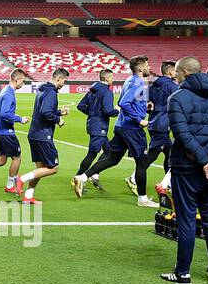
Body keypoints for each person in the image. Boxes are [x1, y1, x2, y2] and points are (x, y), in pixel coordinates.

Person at [160, 57, 208, 284]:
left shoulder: (177, 98)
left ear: (184, 72)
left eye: (176, 72)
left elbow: (181, 135)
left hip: (187, 169)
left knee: (186, 221)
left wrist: (202, 158)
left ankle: (183, 273)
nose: (174, 75)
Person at [83, 54, 157, 207]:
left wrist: (145, 107)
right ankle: (143, 199)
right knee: (142, 163)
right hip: (132, 129)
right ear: (141, 68)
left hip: (122, 126)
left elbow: (127, 102)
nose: (150, 68)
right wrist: (139, 119)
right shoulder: (138, 82)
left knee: (112, 159)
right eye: (148, 66)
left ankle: (83, 177)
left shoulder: (130, 80)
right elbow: (124, 103)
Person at [16, 68, 70, 206]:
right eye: (64, 82)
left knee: (40, 169)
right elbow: (46, 112)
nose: (63, 85)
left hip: (34, 133)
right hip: (43, 135)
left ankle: (28, 196)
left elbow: (43, 111)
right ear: (58, 79)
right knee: (53, 167)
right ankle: (21, 179)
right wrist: (58, 119)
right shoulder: (51, 92)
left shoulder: (42, 89)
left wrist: (59, 112)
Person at [71, 68, 117, 197]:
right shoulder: (107, 92)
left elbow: (81, 106)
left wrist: (92, 114)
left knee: (109, 151)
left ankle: (94, 174)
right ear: (106, 78)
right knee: (92, 154)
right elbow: (108, 111)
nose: (112, 80)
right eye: (112, 77)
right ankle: (78, 178)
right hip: (100, 126)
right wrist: (117, 111)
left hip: (93, 123)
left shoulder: (92, 91)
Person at [142, 60, 179, 192]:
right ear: (170, 72)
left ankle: (168, 183)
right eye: (175, 70)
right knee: (153, 155)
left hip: (154, 122)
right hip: (163, 125)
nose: (177, 73)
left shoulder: (152, 86)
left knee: (170, 155)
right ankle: (134, 177)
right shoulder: (172, 86)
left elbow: (148, 105)